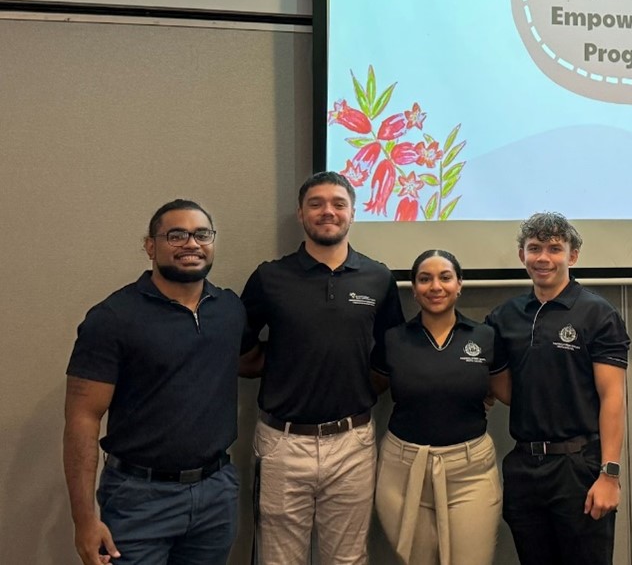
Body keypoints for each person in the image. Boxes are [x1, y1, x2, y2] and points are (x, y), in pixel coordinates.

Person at [63, 199, 247, 565]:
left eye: (201, 234)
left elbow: (251, 360)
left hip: (216, 493)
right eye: (176, 235)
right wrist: (84, 520)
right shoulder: (113, 318)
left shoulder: (229, 310)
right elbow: (82, 419)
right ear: (151, 246)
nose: (191, 244)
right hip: (138, 499)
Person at [239, 171, 404, 565]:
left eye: (338, 204)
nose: (327, 212)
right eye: (316, 204)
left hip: (353, 441)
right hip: (282, 443)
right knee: (278, 560)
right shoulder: (270, 277)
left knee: (347, 559)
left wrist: (361, 386)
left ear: (352, 213)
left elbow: (391, 351)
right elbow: (241, 347)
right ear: (300, 214)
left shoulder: (378, 278)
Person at [486, 212, 630, 565]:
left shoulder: (598, 314)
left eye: (554, 248)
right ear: (522, 255)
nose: (543, 258)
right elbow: (503, 388)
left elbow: (613, 397)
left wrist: (609, 475)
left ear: (573, 255)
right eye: (534, 248)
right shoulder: (505, 317)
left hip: (578, 467)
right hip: (524, 468)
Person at [374, 249, 505, 565]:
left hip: (470, 473)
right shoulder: (393, 340)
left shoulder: (485, 337)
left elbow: (506, 392)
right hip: (402, 471)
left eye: (445, 277)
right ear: (414, 289)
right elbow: (367, 390)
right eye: (424, 279)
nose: (435, 286)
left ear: (459, 284)